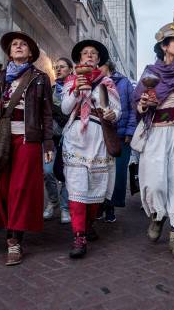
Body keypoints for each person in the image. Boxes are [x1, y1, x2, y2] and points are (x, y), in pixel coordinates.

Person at [0, 32, 53, 266]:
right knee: (0, 187)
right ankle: (8, 227)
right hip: (2, 137)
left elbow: (46, 113)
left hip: (28, 138)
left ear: (31, 52)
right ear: (9, 52)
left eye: (23, 44)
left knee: (20, 189)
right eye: (15, 45)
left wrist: (48, 142)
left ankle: (15, 240)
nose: (19, 47)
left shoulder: (41, 78)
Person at [133, 22, 174, 260]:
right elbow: (138, 104)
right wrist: (144, 103)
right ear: (164, 46)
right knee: (154, 183)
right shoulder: (150, 71)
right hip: (156, 131)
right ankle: (158, 216)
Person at [61, 39, 120, 258]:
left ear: (98, 60)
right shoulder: (70, 81)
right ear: (79, 59)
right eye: (85, 53)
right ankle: (79, 236)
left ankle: (88, 223)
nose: (89, 56)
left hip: (98, 136)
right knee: (77, 186)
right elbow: (66, 108)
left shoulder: (106, 84)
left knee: (96, 188)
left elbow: (115, 110)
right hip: (76, 136)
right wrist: (76, 90)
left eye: (93, 53)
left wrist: (113, 114)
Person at [98, 60, 136, 223]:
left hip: (120, 135)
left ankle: (111, 206)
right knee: (100, 171)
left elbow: (132, 108)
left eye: (100, 64)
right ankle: (100, 205)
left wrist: (129, 131)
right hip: (99, 135)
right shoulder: (94, 83)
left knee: (118, 173)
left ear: (108, 66)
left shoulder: (124, 82)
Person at [43, 57, 72, 224]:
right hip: (51, 139)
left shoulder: (74, 89)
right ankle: (53, 201)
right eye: (56, 67)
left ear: (70, 69)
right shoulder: (50, 91)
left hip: (70, 139)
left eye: (62, 67)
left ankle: (65, 207)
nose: (58, 69)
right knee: (47, 171)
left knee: (67, 174)